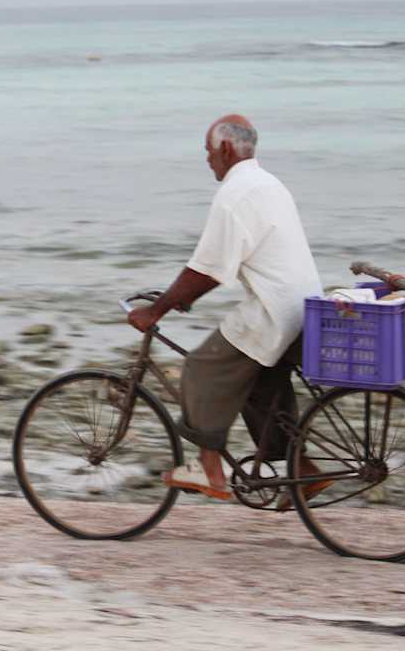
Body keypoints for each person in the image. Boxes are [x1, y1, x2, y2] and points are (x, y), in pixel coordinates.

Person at [127, 114, 327, 502]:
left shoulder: (235, 194)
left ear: (224, 148)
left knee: (203, 367)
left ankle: (209, 469)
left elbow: (208, 269)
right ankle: (303, 469)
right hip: (302, 307)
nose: (207, 160)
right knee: (259, 384)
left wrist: (159, 309)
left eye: (207, 151)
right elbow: (220, 266)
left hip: (275, 312)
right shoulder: (269, 183)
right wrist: (180, 297)